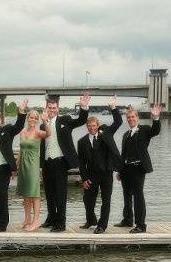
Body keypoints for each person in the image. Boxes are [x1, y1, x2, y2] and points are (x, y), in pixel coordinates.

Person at [40, 94, 90, 232]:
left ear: (58, 108)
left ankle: (60, 223)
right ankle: (51, 218)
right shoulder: (42, 125)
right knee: (49, 193)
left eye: (54, 107)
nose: (52, 110)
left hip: (60, 162)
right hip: (47, 162)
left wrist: (84, 107)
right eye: (49, 107)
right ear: (46, 109)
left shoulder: (65, 120)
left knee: (60, 194)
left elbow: (81, 120)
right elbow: (41, 146)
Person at [77, 96, 123, 234]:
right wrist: (84, 178)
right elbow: (81, 162)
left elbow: (118, 122)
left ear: (97, 126)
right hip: (91, 175)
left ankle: (102, 226)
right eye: (89, 126)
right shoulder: (82, 141)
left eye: (94, 126)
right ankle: (91, 220)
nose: (92, 128)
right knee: (88, 200)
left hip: (106, 174)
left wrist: (113, 108)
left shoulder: (106, 133)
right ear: (87, 127)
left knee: (106, 201)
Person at [114, 104, 162, 233]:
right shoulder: (125, 134)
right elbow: (123, 153)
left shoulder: (145, 129)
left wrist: (156, 117)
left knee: (138, 196)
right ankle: (128, 220)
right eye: (128, 117)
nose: (130, 119)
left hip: (138, 168)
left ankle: (141, 225)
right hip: (126, 169)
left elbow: (156, 131)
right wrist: (119, 170)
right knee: (126, 195)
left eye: (133, 117)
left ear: (137, 117)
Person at [0, 99, 27, 232]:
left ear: (1, 120)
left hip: (2, 168)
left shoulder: (6, 130)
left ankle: (2, 224)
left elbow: (18, 126)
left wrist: (21, 111)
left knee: (2, 196)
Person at [16, 109, 50, 231]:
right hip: (23, 165)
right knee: (26, 192)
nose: (33, 120)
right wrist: (16, 165)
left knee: (34, 193)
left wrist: (45, 121)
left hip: (33, 165)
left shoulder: (38, 132)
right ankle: (27, 219)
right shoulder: (23, 132)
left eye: (36, 118)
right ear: (27, 118)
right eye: (31, 117)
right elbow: (21, 150)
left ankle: (36, 221)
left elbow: (49, 133)